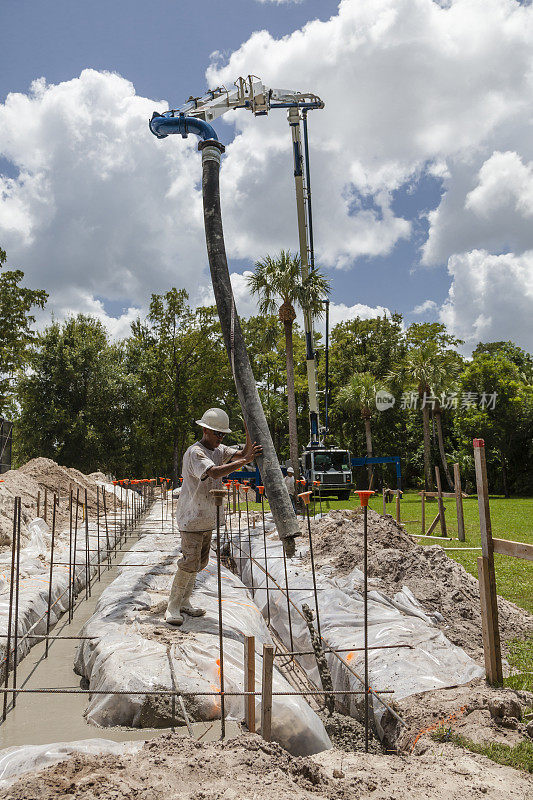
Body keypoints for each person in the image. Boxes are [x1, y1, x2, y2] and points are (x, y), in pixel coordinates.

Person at [166, 407, 262, 625]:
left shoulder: (219, 450)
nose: (220, 438)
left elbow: (242, 453)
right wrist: (246, 460)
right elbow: (215, 472)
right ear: (205, 430)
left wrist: (248, 430)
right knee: (189, 561)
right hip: (191, 516)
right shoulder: (196, 452)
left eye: (223, 435)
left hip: (207, 516)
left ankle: (185, 602)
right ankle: (173, 606)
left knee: (200, 562)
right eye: (217, 433)